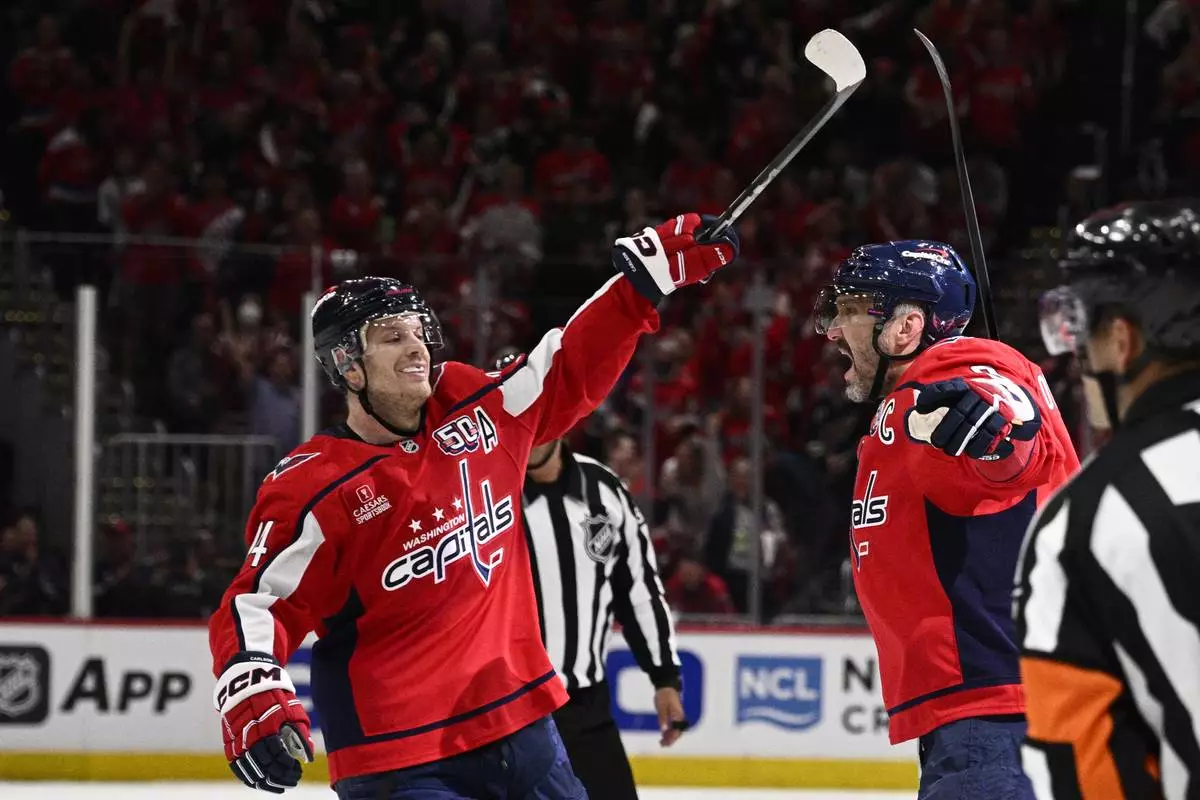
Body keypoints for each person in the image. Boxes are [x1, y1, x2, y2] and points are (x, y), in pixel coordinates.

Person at [205, 212, 738, 799]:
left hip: (525, 725)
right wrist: (252, 691)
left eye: (417, 330)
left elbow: (563, 371)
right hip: (400, 759)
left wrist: (639, 286)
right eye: (391, 336)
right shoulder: (316, 486)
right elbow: (258, 604)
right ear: (346, 366)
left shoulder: (470, 403)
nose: (416, 347)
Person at [814, 240, 1080, 799]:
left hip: (999, 711)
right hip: (985, 711)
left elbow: (1012, 437)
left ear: (906, 328)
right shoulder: (908, 401)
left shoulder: (952, 375)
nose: (834, 331)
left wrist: (995, 432)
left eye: (849, 311)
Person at [1014, 199, 1200, 799]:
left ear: (1122, 340)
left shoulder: (1089, 521)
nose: (1078, 359)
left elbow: (1085, 774)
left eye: (1084, 333)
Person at [508, 354, 684, 800]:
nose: (531, 425)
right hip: (505, 713)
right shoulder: (483, 497)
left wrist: (664, 677)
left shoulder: (603, 493)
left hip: (585, 708)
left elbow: (639, 590)